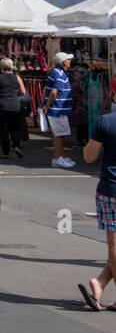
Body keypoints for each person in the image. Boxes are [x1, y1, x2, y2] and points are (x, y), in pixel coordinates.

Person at [80, 77, 116, 312]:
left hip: (111, 189)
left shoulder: (105, 121)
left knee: (114, 245)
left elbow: (89, 157)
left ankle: (101, 282)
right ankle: (100, 283)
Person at [0, 56, 29, 159]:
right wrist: (15, 94)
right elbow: (23, 92)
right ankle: (16, 145)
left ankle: (5, 153)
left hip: (2, 105)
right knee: (15, 127)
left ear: (2, 66)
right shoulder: (17, 77)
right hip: (15, 105)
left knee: (3, 130)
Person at [46, 52, 75, 168]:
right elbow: (54, 92)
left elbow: (47, 90)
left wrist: (45, 104)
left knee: (59, 134)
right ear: (64, 62)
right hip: (58, 109)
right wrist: (47, 105)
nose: (70, 62)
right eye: (68, 59)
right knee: (59, 135)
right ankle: (58, 158)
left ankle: (61, 156)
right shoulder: (59, 74)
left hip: (58, 109)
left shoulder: (57, 72)